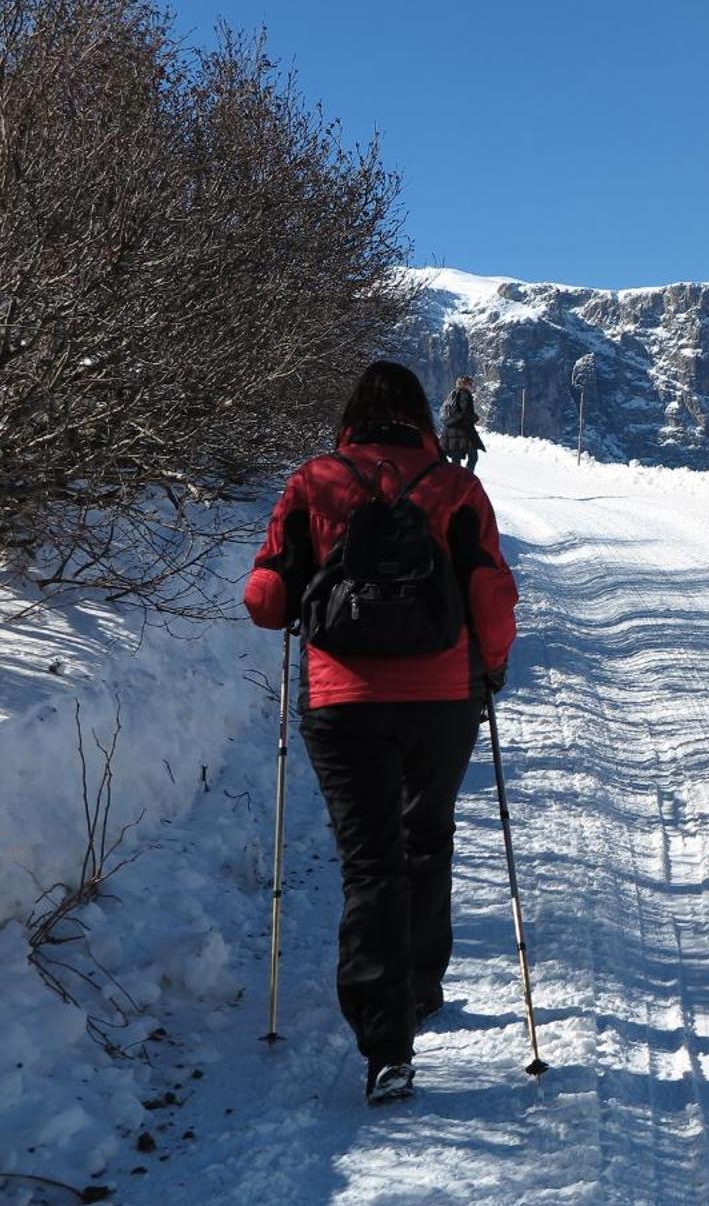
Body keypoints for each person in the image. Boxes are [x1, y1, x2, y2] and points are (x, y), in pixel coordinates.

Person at [243, 360, 518, 1105]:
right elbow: (490, 593)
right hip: (443, 694)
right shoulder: (457, 488)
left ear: (352, 414)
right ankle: (422, 984)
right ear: (423, 418)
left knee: (371, 862)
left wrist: (294, 584)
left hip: (343, 699)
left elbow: (267, 598)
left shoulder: (313, 482)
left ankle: (384, 1037)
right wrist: (490, 667)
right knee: (426, 834)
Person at [440, 374, 484, 474]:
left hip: (449, 431)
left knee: (456, 460)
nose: (472, 386)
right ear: (465, 384)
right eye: (470, 384)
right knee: (473, 457)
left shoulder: (452, 394)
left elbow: (448, 412)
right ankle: (465, 480)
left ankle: (455, 482)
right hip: (462, 431)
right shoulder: (465, 394)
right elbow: (465, 413)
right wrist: (475, 417)